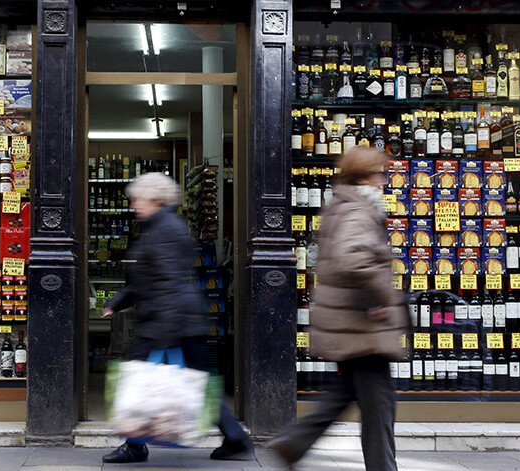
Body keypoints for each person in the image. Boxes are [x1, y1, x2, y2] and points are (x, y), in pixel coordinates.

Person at [268, 147, 409, 471]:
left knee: (347, 396)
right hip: (362, 326)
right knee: (379, 408)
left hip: (352, 326)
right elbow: (352, 259)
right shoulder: (357, 210)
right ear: (364, 176)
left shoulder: (342, 205)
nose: (383, 181)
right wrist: (379, 297)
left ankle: (293, 443)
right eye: (379, 174)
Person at [101, 172, 254, 464]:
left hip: (168, 319)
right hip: (177, 318)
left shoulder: (164, 230)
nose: (134, 204)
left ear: (156, 199)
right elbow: (150, 278)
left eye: (138, 199)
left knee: (140, 380)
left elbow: (168, 282)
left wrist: (164, 331)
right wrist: (118, 302)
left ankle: (135, 446)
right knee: (199, 382)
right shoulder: (160, 226)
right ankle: (236, 440)